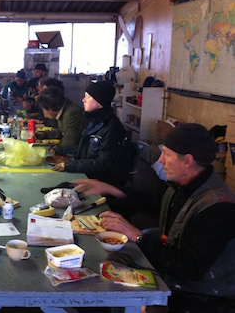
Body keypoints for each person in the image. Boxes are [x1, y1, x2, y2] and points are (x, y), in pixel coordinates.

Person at [73, 123, 235, 312]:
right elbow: (151, 201)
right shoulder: (183, 185)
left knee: (101, 296)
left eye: (166, 154)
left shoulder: (218, 207)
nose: (160, 160)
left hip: (200, 299)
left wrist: (136, 234)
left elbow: (188, 268)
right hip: (173, 276)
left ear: (187, 161)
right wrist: (108, 188)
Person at [53, 81, 128, 186]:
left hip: (99, 182)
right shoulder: (93, 121)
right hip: (86, 174)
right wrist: (59, 149)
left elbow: (103, 164)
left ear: (99, 101)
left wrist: (70, 165)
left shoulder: (111, 127)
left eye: (87, 97)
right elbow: (82, 150)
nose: (83, 100)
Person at [37, 86, 85, 155]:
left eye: (43, 108)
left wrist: (55, 149)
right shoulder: (64, 109)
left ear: (50, 107)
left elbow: (69, 143)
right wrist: (44, 134)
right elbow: (62, 131)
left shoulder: (72, 113)